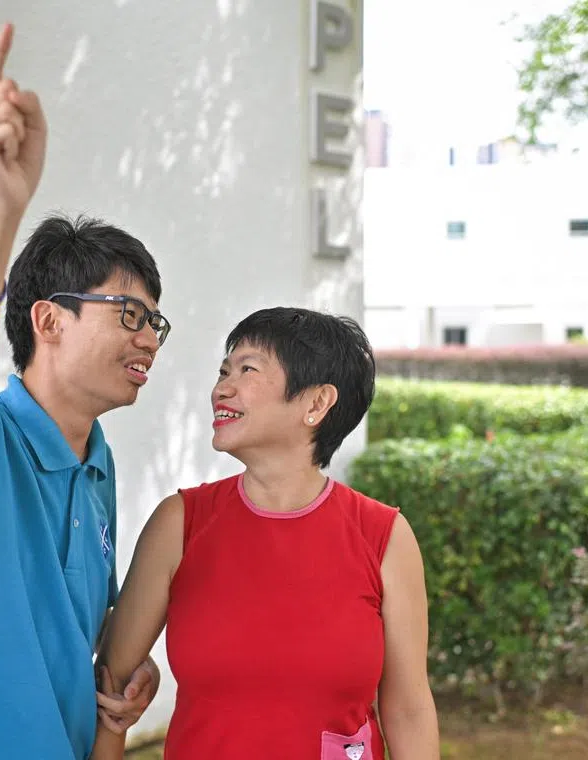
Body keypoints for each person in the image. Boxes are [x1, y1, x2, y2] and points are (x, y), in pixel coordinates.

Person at [0, 23, 166, 760]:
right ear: (49, 320)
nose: (149, 340)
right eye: (129, 314)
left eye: (155, 322)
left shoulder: (99, 464)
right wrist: (3, 209)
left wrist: (127, 669)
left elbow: (74, 632)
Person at [91, 308, 441, 759]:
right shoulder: (179, 524)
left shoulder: (383, 537)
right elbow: (113, 691)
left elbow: (409, 709)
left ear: (316, 404)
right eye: (224, 371)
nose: (222, 388)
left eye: (248, 370)